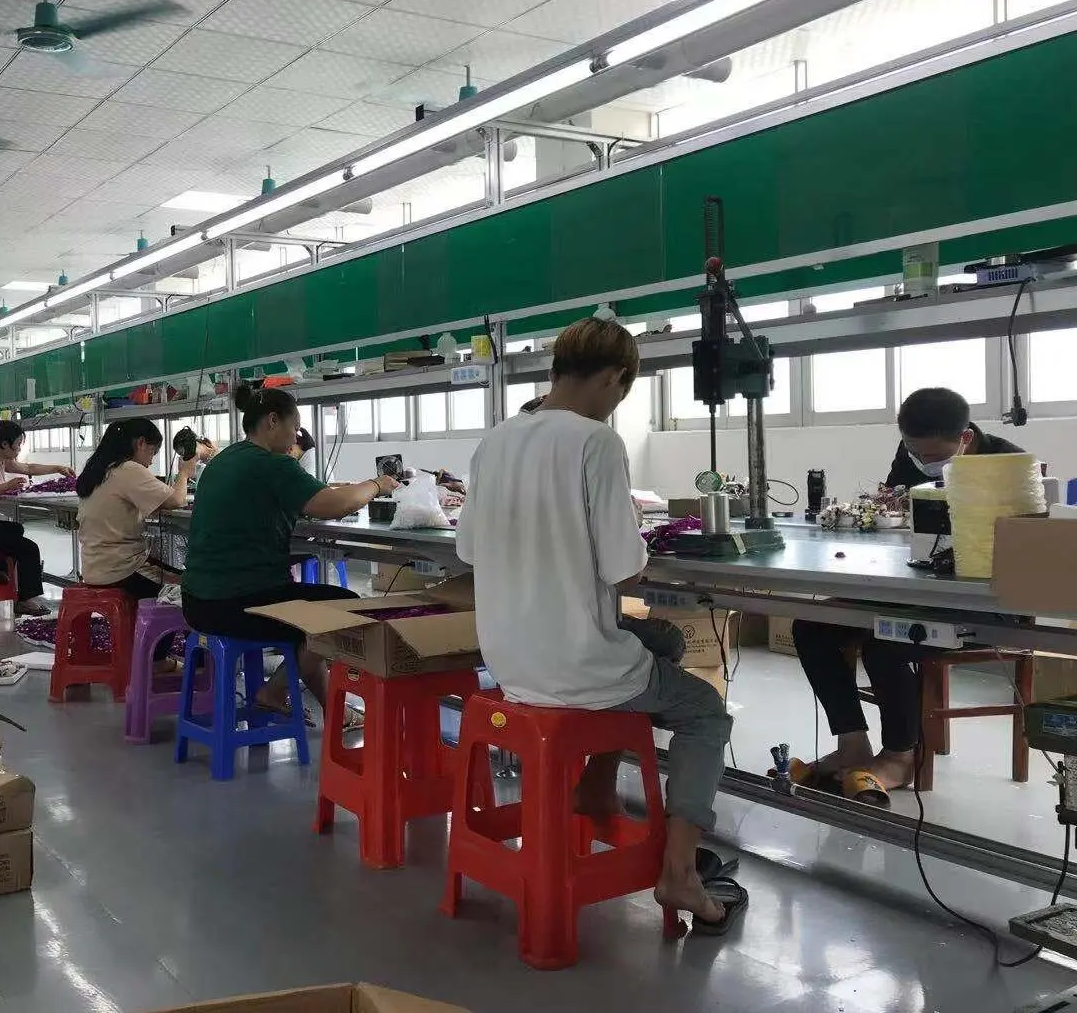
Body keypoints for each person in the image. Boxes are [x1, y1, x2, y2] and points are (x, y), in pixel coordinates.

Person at [456, 318, 742, 935]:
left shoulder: (496, 440)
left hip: (507, 658)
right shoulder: (597, 441)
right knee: (705, 712)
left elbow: (469, 548)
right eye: (622, 391)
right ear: (615, 378)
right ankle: (680, 871)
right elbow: (624, 568)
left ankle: (596, 784)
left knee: (662, 641)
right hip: (574, 665)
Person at [793, 387, 1024, 803]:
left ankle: (900, 757)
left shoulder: (1009, 465)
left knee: (888, 638)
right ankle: (852, 744)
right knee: (812, 625)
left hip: (988, 603)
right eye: (915, 451)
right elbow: (896, 512)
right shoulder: (911, 454)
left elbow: (1027, 552)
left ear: (965, 438)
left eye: (933, 456)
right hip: (918, 590)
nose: (923, 461)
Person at [181, 384, 399, 725]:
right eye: (294, 427)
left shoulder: (223, 461)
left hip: (198, 601)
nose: (296, 436)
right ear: (272, 421)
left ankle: (336, 712)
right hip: (238, 603)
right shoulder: (273, 464)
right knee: (344, 608)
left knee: (315, 618)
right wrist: (377, 485)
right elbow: (332, 504)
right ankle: (274, 690)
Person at [0, 420, 74, 616]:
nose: (19, 449)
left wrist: (58, 468)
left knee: (15, 529)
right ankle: (26, 600)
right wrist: (6, 486)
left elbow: (29, 468)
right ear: (4, 444)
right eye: (18, 444)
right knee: (28, 548)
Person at [76, 418, 194, 599]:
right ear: (141, 443)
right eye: (152, 452)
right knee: (190, 588)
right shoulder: (128, 469)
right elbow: (177, 500)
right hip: (120, 570)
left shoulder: (101, 470)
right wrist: (184, 472)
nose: (151, 461)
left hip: (95, 567)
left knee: (180, 577)